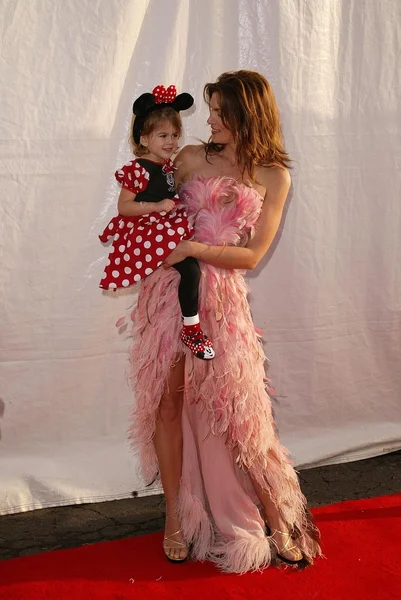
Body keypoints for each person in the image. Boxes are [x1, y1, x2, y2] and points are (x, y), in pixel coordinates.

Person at [128, 70, 321, 572]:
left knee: (241, 409)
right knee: (167, 404)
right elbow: (150, 209)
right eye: (208, 110)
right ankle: (175, 518)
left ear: (246, 114)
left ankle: (278, 518)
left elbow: (253, 254)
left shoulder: (274, 174)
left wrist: (194, 247)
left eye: (218, 111)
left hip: (223, 300)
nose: (208, 120)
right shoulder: (191, 158)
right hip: (172, 294)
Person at [99, 85, 215, 360]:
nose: (172, 142)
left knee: (195, 269)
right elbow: (124, 207)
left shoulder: (168, 167)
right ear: (144, 137)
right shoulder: (138, 168)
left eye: (175, 135)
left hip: (164, 228)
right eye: (163, 135)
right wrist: (156, 206)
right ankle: (192, 328)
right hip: (145, 232)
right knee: (191, 270)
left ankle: (190, 324)